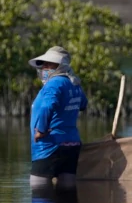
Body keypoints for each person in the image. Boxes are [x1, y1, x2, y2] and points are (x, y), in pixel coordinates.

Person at [29, 46, 88, 189]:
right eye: (44, 65)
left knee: (39, 193)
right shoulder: (74, 83)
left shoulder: (53, 84)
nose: (44, 68)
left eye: (50, 65)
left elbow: (47, 106)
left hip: (49, 145)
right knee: (68, 197)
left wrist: (41, 130)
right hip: (72, 145)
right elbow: (83, 104)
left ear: (60, 66)